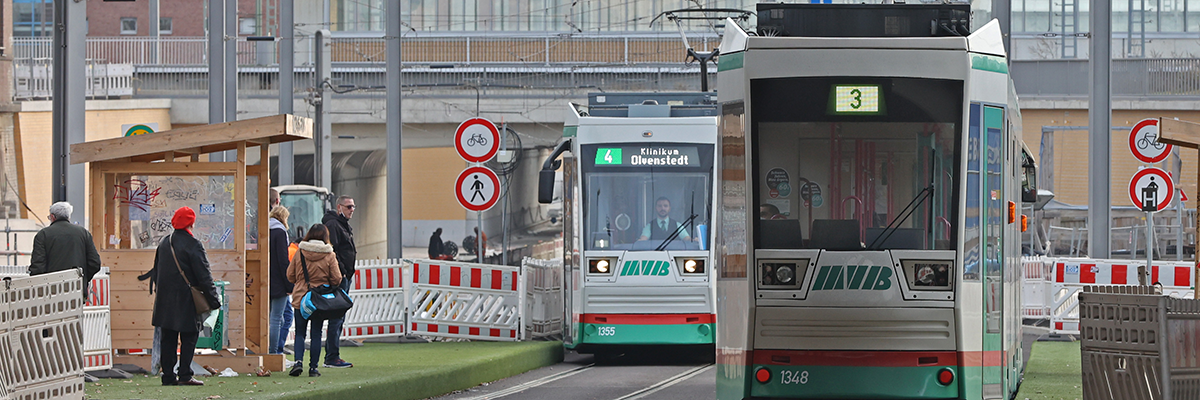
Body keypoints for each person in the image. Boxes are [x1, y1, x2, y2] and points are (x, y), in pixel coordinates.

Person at [145, 207, 221, 386]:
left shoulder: (165, 242)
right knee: (189, 336)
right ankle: (185, 374)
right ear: (191, 223)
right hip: (187, 299)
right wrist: (213, 300)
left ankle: (168, 376)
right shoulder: (193, 244)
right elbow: (204, 275)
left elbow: (157, 271)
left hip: (165, 300)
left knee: (168, 338)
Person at [286, 224, 342, 378]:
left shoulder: (300, 252)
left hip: (301, 297)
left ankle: (298, 362)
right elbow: (337, 278)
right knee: (316, 333)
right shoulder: (329, 255)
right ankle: (313, 368)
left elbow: (290, 274)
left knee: (299, 333)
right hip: (319, 300)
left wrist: (301, 281)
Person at [29, 202, 102, 297]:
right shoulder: (83, 233)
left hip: (51, 293)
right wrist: (82, 278)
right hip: (76, 290)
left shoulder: (43, 235)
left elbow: (38, 266)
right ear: (69, 217)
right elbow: (95, 263)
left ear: (52, 217)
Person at [321, 195, 356, 369]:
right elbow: (332, 250)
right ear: (339, 207)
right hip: (340, 278)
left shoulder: (342, 225)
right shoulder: (334, 225)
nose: (352, 210)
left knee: (338, 317)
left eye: (353, 207)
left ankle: (332, 355)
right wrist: (341, 272)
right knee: (337, 317)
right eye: (349, 207)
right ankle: (332, 356)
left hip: (345, 276)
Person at [267, 205, 293, 355]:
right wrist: (289, 284)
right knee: (277, 319)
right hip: (278, 281)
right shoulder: (280, 232)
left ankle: (271, 349)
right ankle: (274, 353)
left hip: (265, 279)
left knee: (274, 319)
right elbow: (283, 260)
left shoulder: (264, 229)